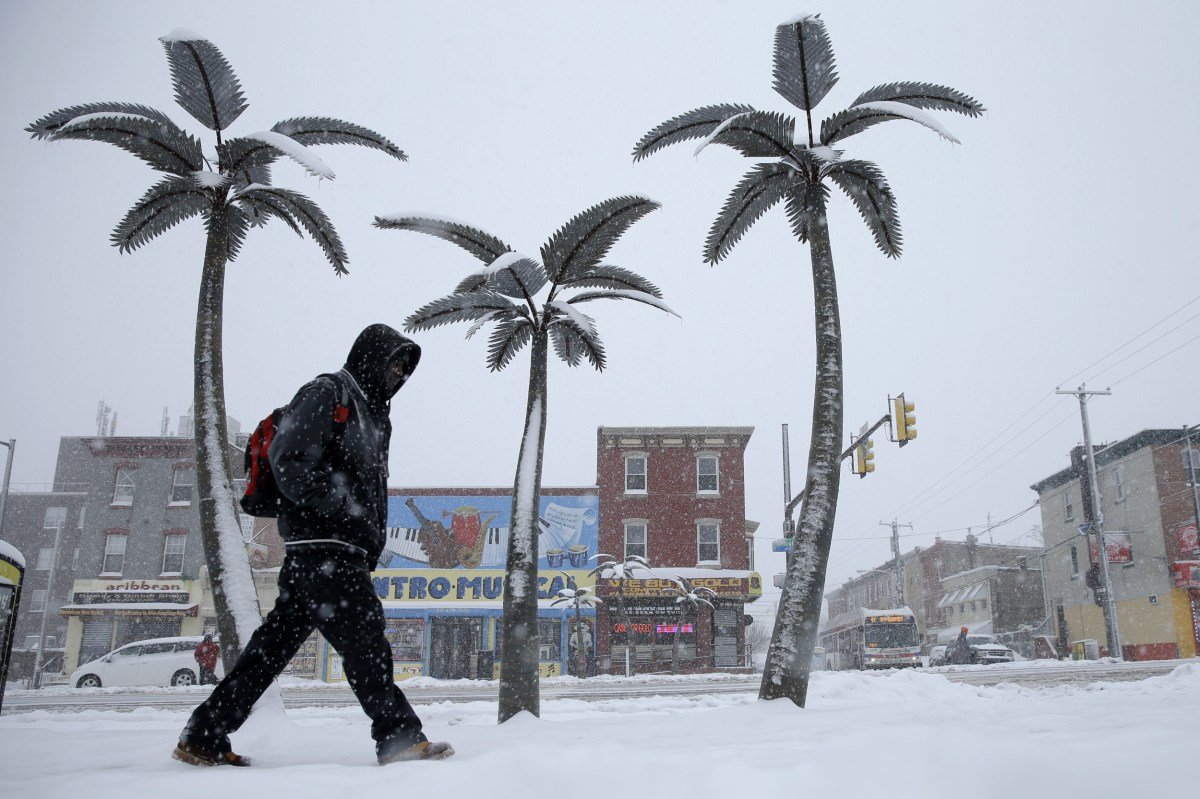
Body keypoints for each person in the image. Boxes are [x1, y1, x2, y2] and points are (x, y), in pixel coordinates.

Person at [173, 324, 453, 767]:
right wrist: (342, 510)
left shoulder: (374, 415)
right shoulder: (328, 393)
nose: (398, 373)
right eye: (393, 363)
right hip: (325, 547)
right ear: (371, 358)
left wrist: (366, 536)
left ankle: (204, 735)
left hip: (331, 551)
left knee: (270, 651)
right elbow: (289, 457)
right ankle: (398, 736)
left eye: (404, 367)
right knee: (366, 644)